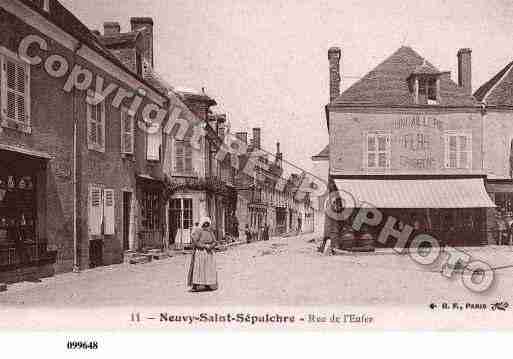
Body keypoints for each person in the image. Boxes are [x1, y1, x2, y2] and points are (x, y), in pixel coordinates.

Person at [187, 217, 218, 292]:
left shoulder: (210, 232)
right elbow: (195, 241)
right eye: (205, 224)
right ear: (202, 224)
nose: (206, 226)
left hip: (209, 253)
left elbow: (215, 241)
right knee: (198, 269)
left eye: (207, 224)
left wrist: (211, 246)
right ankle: (195, 285)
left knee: (208, 269)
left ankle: (208, 284)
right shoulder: (198, 231)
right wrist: (204, 246)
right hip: (200, 252)